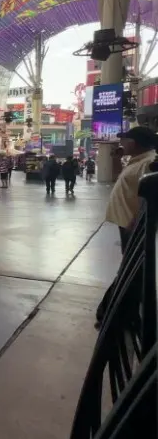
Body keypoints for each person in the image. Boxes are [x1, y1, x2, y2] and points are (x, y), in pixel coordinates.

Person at [97, 126, 157, 325]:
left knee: (132, 270)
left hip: (135, 226)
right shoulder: (137, 161)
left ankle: (115, 312)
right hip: (128, 224)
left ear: (136, 142)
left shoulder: (149, 164)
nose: (122, 143)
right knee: (131, 269)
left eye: (126, 139)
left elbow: (149, 198)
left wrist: (137, 221)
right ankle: (122, 311)